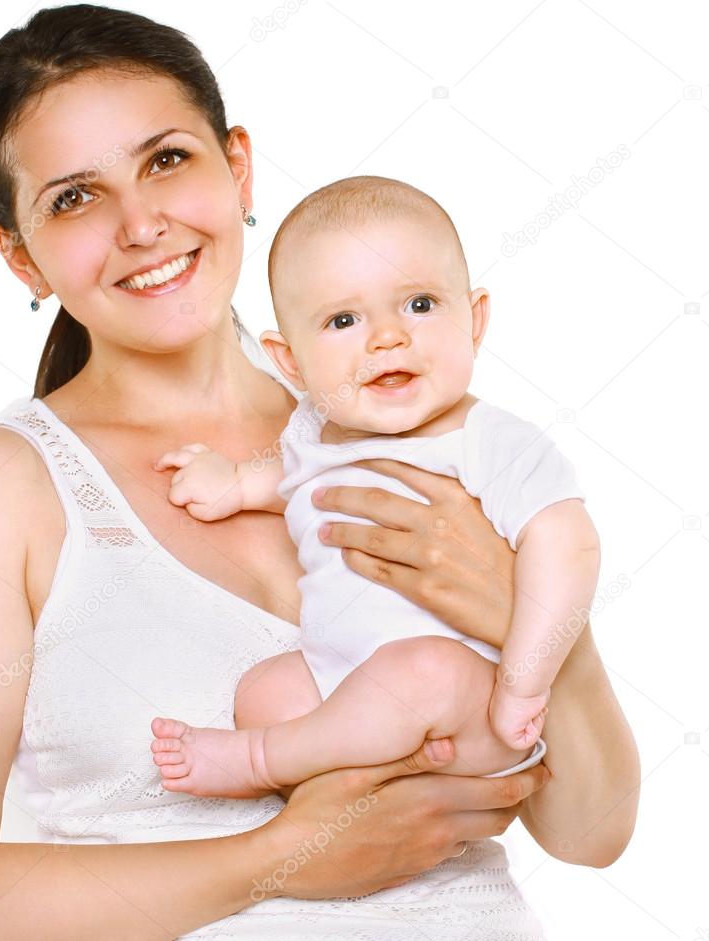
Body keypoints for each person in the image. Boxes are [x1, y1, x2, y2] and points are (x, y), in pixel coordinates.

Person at [0, 5, 640, 940]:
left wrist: (533, 621)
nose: (141, 223)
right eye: (74, 197)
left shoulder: (415, 421)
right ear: (19, 255)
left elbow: (592, 832)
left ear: (238, 168)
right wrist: (282, 859)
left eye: (166, 160)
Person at [148, 176, 599, 800]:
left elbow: (568, 545)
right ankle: (346, 801)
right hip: (344, 680)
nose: (388, 337)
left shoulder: (489, 440)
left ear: (474, 320)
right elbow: (300, 478)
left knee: (422, 671)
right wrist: (234, 485)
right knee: (266, 690)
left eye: (418, 304)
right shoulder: (317, 434)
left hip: (475, 700)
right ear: (293, 364)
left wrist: (525, 679)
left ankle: (259, 760)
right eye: (343, 319)